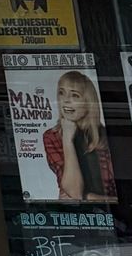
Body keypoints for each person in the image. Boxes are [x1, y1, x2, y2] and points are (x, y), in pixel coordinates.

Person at [43, 70, 113, 204]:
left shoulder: (104, 135)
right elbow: (74, 192)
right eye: (61, 93)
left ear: (88, 101)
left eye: (75, 95)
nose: (66, 100)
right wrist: (67, 140)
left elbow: (120, 194)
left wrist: (87, 197)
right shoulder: (52, 136)